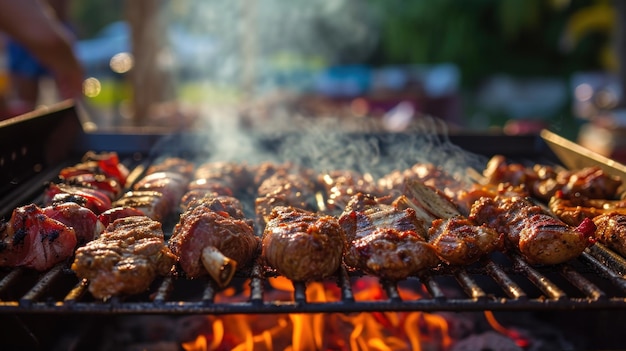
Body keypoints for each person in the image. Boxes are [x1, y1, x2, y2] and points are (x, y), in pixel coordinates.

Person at [0, 0, 83, 115]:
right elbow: (51, 40)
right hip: (42, 33)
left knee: (25, 108)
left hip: (46, 30)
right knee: (27, 107)